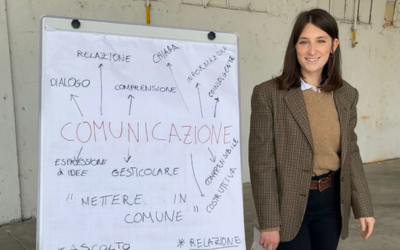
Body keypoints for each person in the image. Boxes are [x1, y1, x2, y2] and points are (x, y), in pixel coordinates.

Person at [249, 8, 375, 250]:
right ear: (294, 46)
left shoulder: (346, 95)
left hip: (331, 202)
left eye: (321, 41)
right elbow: (261, 164)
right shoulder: (268, 95)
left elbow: (351, 154)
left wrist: (363, 208)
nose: (312, 50)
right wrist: (269, 223)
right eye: (304, 41)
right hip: (288, 202)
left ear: (333, 45)